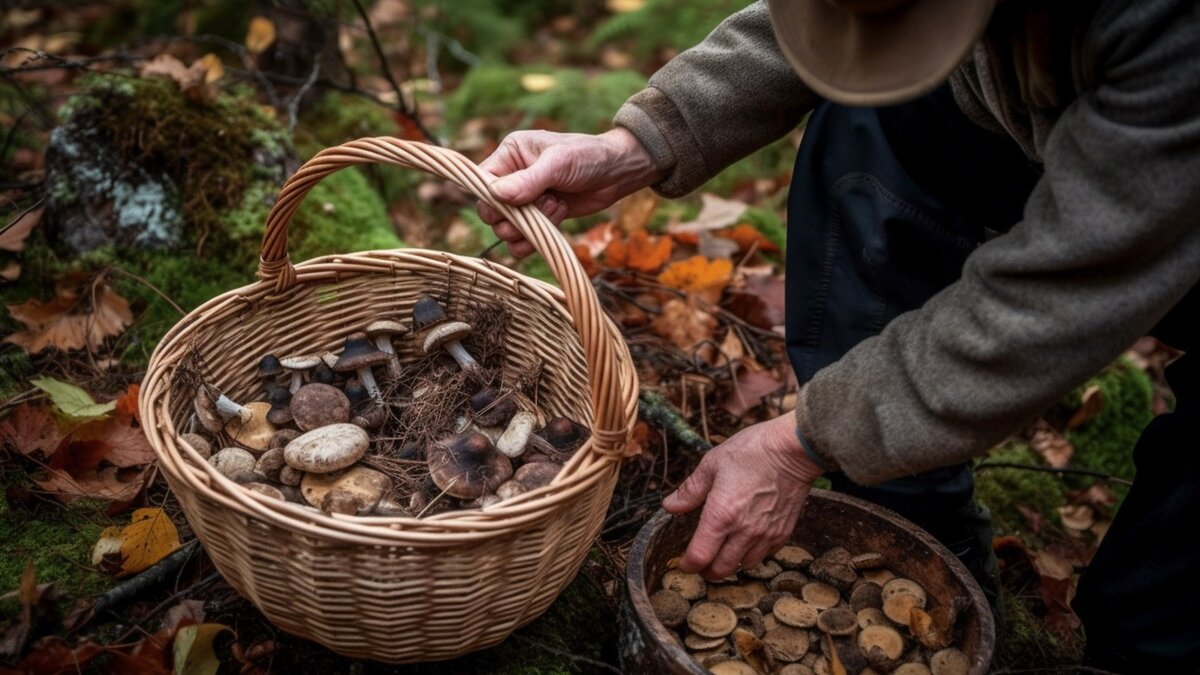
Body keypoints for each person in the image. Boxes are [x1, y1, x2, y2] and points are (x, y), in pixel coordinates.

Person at [477, 0, 1200, 669]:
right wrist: (638, 143)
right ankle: (910, 510)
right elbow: (830, 25)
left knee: (1150, 617)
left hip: (1159, 192)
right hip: (1065, 130)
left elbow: (1056, 300)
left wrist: (804, 441)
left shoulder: (1168, 30)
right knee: (870, 118)